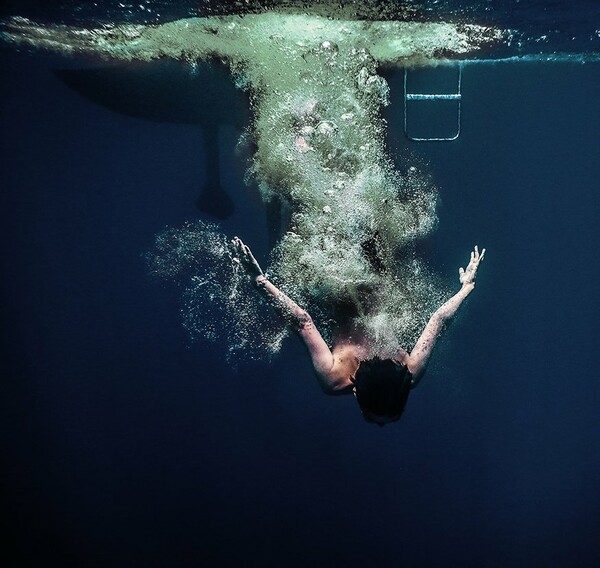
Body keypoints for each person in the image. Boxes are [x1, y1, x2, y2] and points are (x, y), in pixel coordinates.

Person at [232, 237, 485, 425]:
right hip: (344, 280)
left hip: (354, 281)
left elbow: (438, 321)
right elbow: (302, 322)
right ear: (356, 392)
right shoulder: (333, 378)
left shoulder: (410, 372)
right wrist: (259, 281)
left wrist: (466, 289)